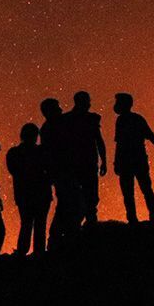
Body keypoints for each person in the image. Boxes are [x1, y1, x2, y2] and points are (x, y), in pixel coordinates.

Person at [113, 93, 154, 224]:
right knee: (145, 189)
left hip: (128, 161)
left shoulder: (123, 121)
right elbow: (151, 137)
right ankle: (152, 216)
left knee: (130, 192)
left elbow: (120, 143)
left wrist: (116, 162)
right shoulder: (136, 119)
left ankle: (134, 218)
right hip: (138, 160)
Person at [6, 123, 51, 255]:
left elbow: (14, 171)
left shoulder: (14, 153)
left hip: (24, 195)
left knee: (27, 224)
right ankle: (38, 253)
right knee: (39, 225)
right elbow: (48, 170)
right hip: (41, 194)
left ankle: (22, 252)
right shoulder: (41, 152)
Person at [63, 92, 107, 226]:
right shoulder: (91, 119)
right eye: (88, 101)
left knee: (85, 197)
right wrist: (104, 161)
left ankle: (80, 226)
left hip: (77, 164)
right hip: (83, 164)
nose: (89, 104)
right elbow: (99, 141)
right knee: (88, 196)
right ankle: (86, 225)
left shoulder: (67, 119)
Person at [39, 97, 79, 242]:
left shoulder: (52, 126)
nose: (60, 109)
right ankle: (59, 235)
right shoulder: (50, 128)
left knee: (68, 203)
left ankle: (61, 235)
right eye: (57, 107)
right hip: (62, 172)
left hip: (63, 171)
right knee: (68, 203)